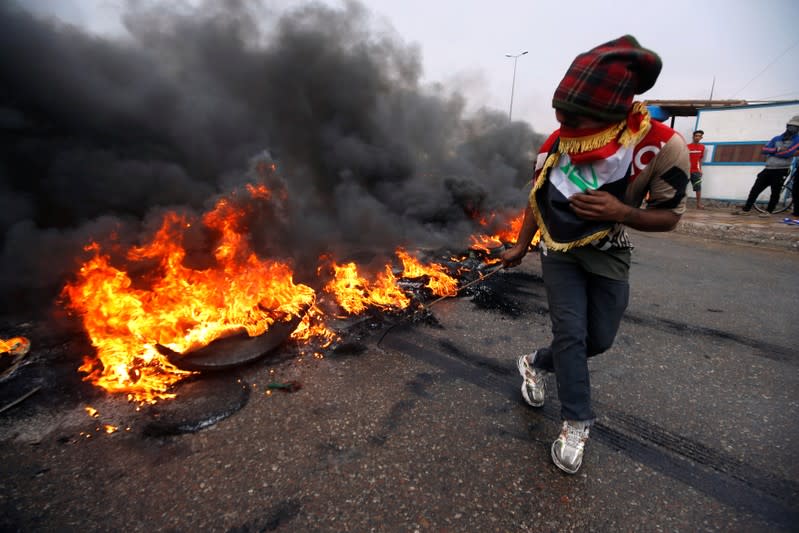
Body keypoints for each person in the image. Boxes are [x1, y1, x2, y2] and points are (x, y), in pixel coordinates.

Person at [500, 35, 689, 475]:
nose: (563, 126)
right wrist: (521, 245)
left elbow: (669, 218)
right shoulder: (555, 144)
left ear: (612, 113)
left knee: (597, 340)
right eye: (559, 116)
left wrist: (621, 211)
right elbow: (538, 198)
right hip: (558, 251)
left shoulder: (660, 147)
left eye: (574, 118)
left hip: (610, 252)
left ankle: (533, 362)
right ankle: (576, 422)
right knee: (570, 333)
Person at [733, 116, 799, 216]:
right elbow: (764, 150)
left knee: (775, 192)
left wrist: (773, 152)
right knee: (755, 189)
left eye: (795, 127)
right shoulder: (777, 138)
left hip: (781, 170)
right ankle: (746, 210)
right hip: (768, 168)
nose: (792, 128)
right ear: (787, 126)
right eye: (790, 126)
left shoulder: (797, 139)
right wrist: (777, 150)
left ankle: (769, 211)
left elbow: (788, 153)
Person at [687, 130, 706, 209]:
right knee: (681, 187)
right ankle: (678, 203)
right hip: (686, 170)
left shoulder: (702, 147)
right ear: (693, 136)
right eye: (696, 135)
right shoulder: (687, 146)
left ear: (701, 137)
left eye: (699, 136)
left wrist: (700, 169)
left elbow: (700, 159)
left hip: (696, 171)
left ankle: (698, 204)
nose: (697, 137)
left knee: (698, 187)